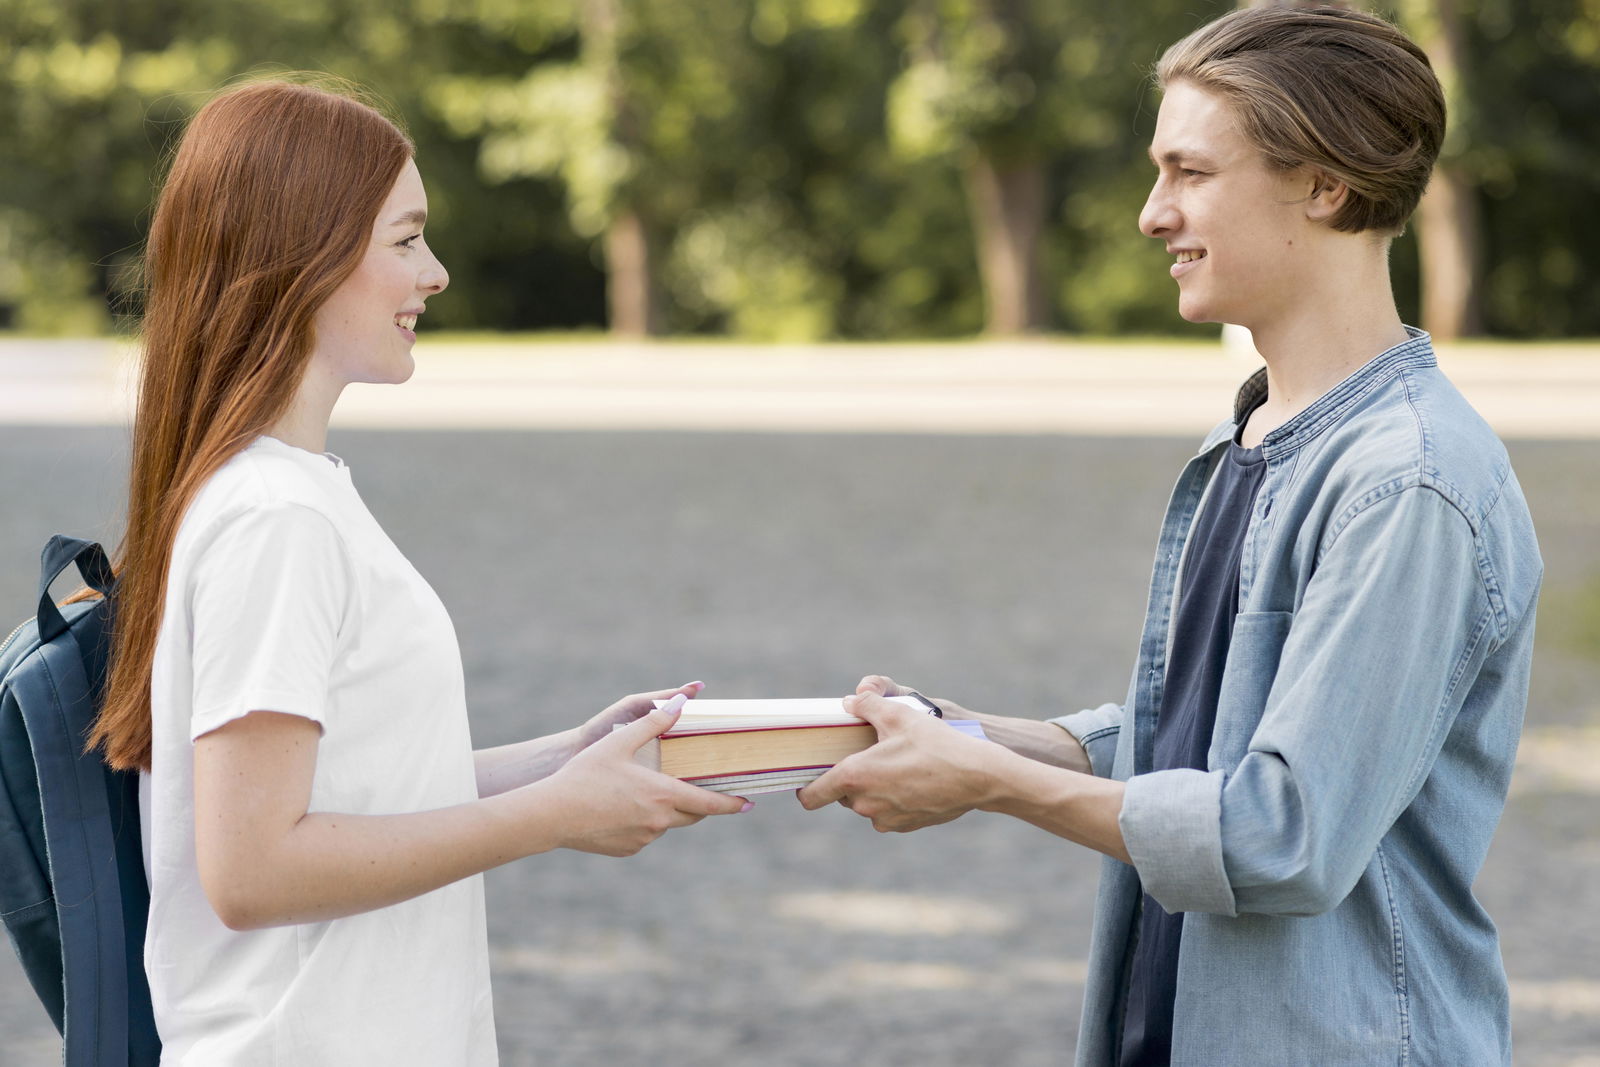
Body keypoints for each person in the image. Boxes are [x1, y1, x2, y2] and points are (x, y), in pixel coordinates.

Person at [799, 7, 1541, 1065]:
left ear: (1323, 184)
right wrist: (968, 735)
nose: (1153, 215)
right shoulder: (1251, 437)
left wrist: (990, 784)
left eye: (1190, 172)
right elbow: (1201, 731)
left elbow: (1283, 832)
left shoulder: (1410, 483)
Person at [86, 78, 749, 1065]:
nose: (434, 274)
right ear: (303, 257)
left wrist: (567, 758)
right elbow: (253, 868)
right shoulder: (275, 518)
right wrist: (552, 816)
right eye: (406, 240)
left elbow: (358, 789)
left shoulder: (283, 492)